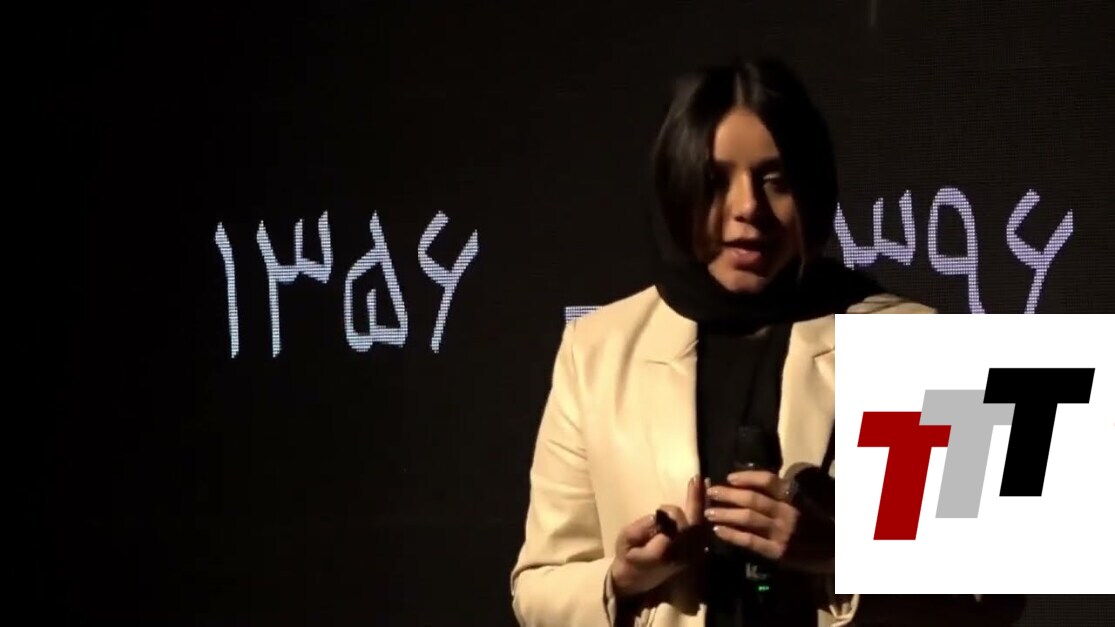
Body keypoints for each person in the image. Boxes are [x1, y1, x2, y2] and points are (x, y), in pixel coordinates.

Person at [509, 58, 1024, 627]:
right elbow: (539, 587)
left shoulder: (918, 340)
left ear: (812, 187)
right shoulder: (596, 349)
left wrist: (843, 553)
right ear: (677, 187)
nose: (748, 207)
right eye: (715, 181)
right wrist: (622, 578)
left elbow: (996, 593)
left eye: (775, 180)